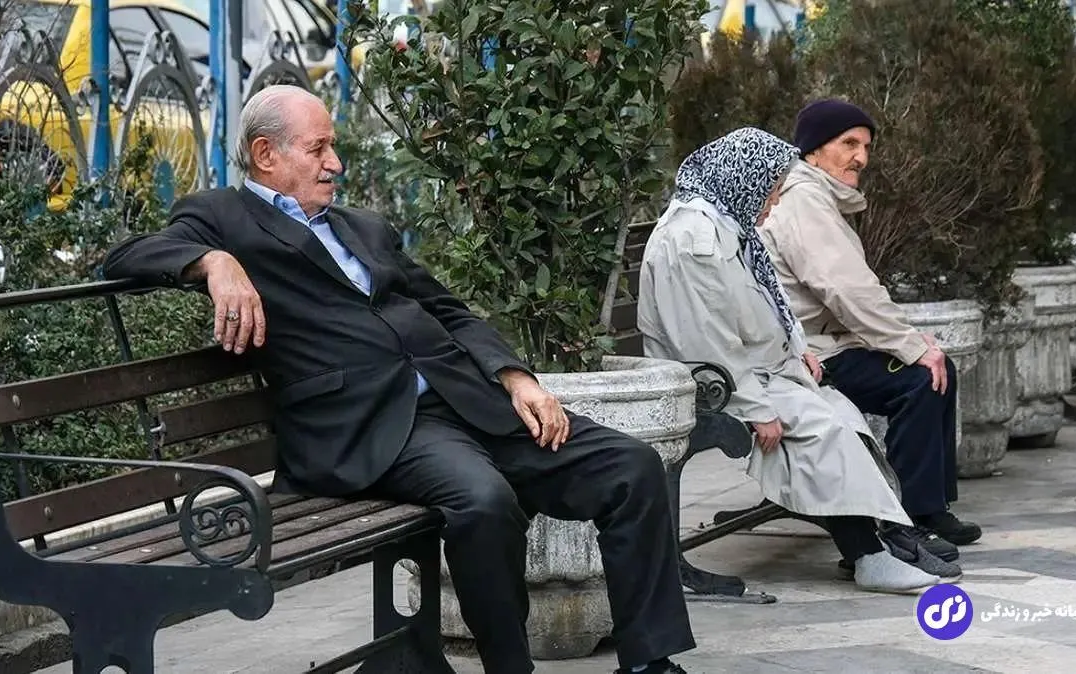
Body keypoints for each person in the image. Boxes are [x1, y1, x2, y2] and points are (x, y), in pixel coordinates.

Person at [101, 84, 694, 674]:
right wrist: (216, 262)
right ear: (265, 154)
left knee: (631, 466)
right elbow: (126, 255)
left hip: (468, 399)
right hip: (373, 427)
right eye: (318, 148)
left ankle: (648, 664)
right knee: (484, 501)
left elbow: (449, 310)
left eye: (333, 146)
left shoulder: (363, 227)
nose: (335, 163)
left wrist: (517, 378)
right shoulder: (224, 217)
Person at [637, 127, 957, 594]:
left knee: (842, 419)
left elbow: (765, 305)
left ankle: (887, 536)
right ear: (743, 181)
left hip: (754, 372)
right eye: (770, 191)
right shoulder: (695, 240)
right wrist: (756, 409)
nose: (773, 203)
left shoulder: (722, 222)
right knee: (822, 430)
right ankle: (869, 555)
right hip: (721, 384)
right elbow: (706, 340)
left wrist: (798, 348)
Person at [757, 98, 983, 564]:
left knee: (937, 370)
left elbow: (849, 292)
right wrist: (911, 346)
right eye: (849, 143)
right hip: (811, 355)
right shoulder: (804, 200)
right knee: (920, 380)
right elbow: (847, 290)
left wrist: (913, 344)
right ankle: (907, 520)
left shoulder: (817, 196)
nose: (861, 156)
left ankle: (929, 508)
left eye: (866, 146)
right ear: (813, 150)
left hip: (829, 344)